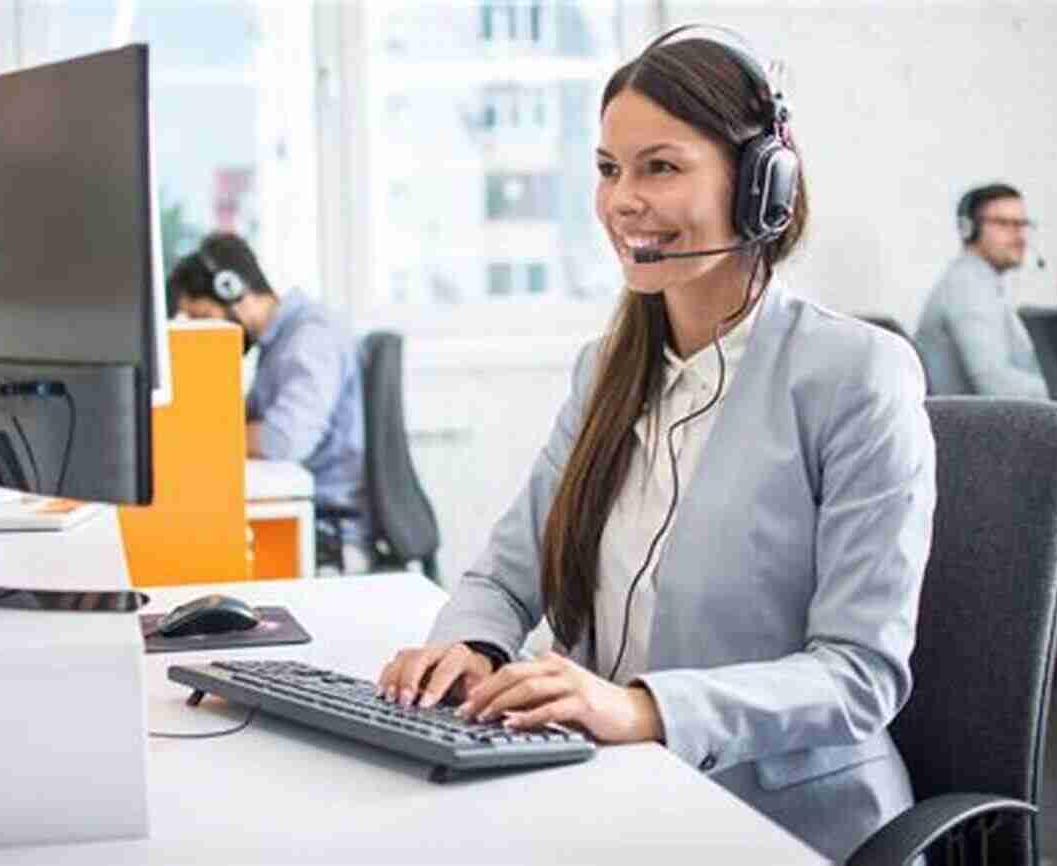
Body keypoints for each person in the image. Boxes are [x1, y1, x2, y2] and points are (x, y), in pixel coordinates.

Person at [376, 24, 935, 863]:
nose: (621, 201)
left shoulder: (856, 374)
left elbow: (861, 673)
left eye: (660, 167)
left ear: (761, 188)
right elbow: (505, 569)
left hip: (788, 820)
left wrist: (642, 707)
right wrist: (472, 645)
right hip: (613, 793)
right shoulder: (608, 370)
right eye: (608, 170)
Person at [168, 233, 370, 572]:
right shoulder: (277, 345)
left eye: (203, 317)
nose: (203, 331)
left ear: (231, 288)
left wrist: (201, 441)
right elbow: (246, 422)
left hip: (330, 533)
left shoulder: (311, 337)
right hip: (309, 515)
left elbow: (283, 438)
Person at [915, 184, 1050, 396]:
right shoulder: (967, 287)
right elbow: (996, 385)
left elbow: (1023, 364)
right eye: (1005, 224)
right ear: (968, 229)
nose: (1020, 236)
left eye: (1022, 224)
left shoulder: (983, 282)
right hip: (972, 425)